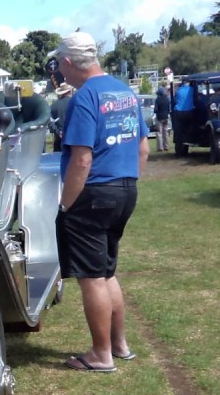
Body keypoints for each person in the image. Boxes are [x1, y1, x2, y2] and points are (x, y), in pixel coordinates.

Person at [48, 32, 148, 373]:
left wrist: (65, 205)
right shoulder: (124, 91)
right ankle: (119, 345)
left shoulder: (84, 98)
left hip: (93, 193)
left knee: (92, 277)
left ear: (66, 63)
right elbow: (143, 148)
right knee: (107, 272)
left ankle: (101, 355)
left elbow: (81, 160)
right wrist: (127, 183)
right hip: (124, 189)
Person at [171, 80, 194, 154]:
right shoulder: (192, 89)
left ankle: (178, 150)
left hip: (178, 111)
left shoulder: (178, 90)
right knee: (187, 130)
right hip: (189, 111)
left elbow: (175, 100)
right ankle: (186, 146)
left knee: (178, 132)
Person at [153, 87, 171, 152]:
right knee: (165, 132)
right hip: (166, 117)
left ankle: (160, 147)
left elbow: (156, 110)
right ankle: (166, 146)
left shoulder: (157, 100)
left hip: (159, 117)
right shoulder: (167, 99)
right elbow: (169, 109)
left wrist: (155, 112)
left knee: (159, 132)